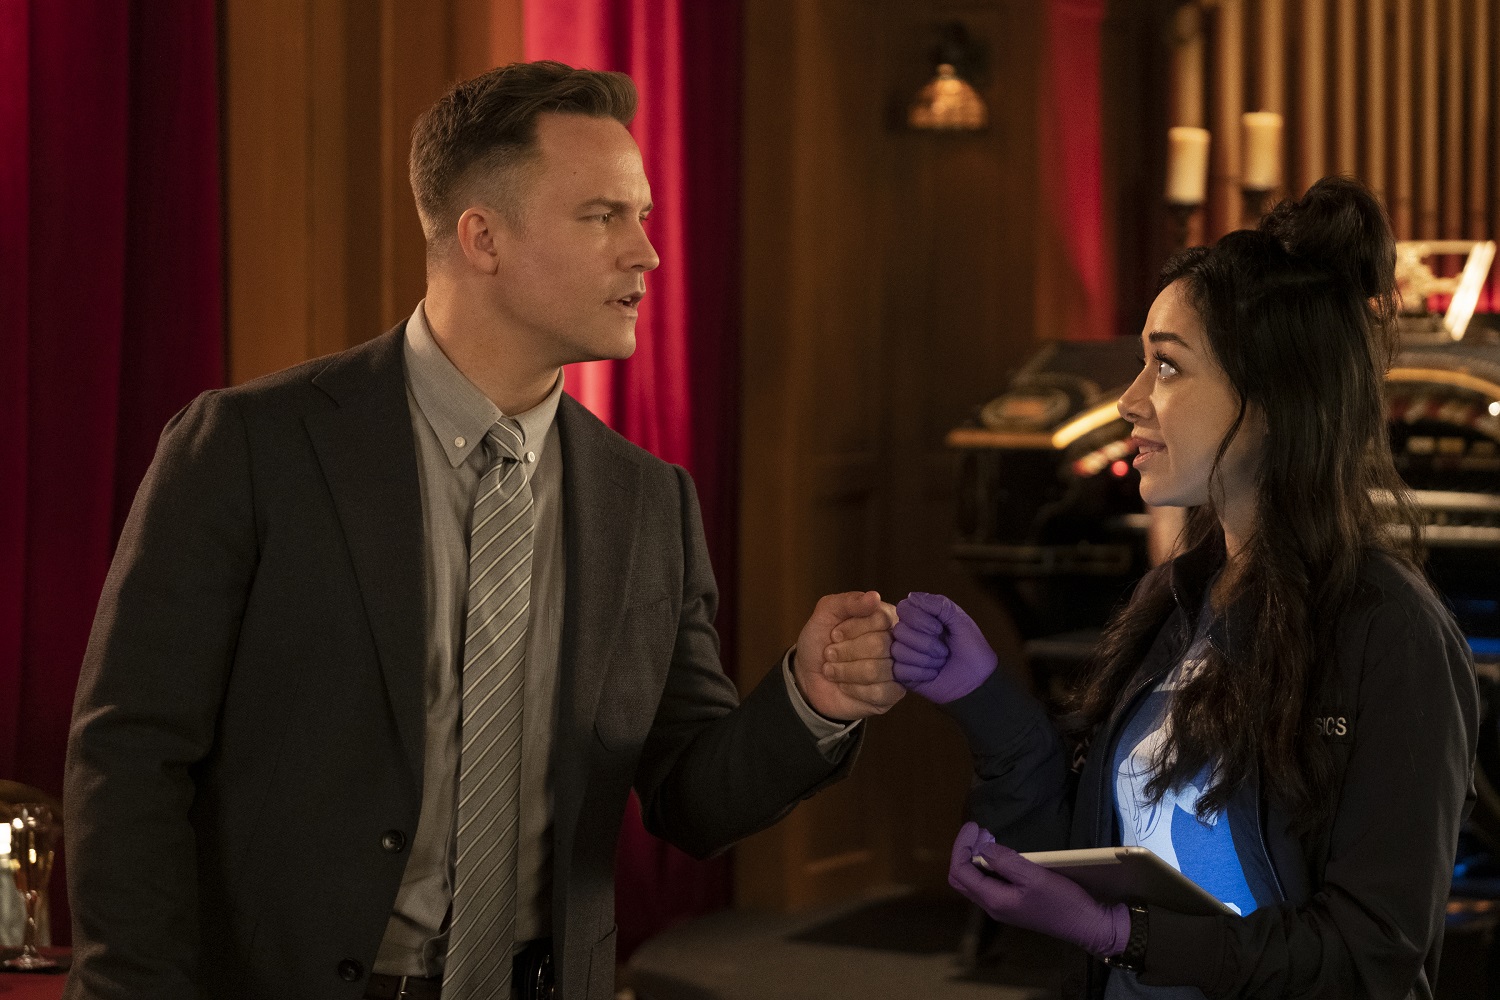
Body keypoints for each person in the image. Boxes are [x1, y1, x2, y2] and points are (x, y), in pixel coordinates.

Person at [64, 61, 902, 1000]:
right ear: (483, 238)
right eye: (602, 216)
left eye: (642, 216)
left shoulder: (648, 501)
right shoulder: (250, 448)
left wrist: (810, 701)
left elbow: (688, 796)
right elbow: (129, 756)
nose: (646, 255)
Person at [890, 177, 1479, 999]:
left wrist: (1123, 935)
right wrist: (982, 696)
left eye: (1166, 365)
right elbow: (1087, 846)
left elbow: (1369, 957)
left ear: (1271, 397)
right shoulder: (1176, 598)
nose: (1128, 400)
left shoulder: (1390, 634)